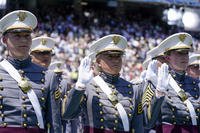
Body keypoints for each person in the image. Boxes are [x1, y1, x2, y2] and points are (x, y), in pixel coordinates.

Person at [62, 34, 168, 133]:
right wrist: (79, 86)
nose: (116, 60)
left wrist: (159, 93)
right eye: (110, 57)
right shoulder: (88, 87)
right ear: (98, 61)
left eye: (118, 56)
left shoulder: (133, 88)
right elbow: (67, 114)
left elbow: (142, 124)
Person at [0, 10, 61, 133]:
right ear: (5, 40)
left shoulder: (48, 76)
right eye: (17, 36)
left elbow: (54, 122)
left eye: (27, 35)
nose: (23, 40)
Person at [146, 32, 200, 133]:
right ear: (167, 58)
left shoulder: (196, 84)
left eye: (186, 53)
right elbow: (148, 120)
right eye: (179, 53)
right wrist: (159, 93)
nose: (184, 57)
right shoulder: (157, 82)